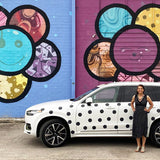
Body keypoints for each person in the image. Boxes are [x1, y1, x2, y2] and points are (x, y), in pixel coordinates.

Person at [131, 84, 153, 153]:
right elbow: (131, 103)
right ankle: (138, 145)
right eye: (138, 88)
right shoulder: (134, 96)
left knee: (143, 130)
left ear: (143, 89)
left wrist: (148, 110)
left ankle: (143, 146)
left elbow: (151, 104)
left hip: (143, 115)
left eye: (141, 88)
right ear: (137, 90)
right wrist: (133, 109)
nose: (140, 89)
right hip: (137, 114)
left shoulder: (147, 97)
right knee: (137, 130)